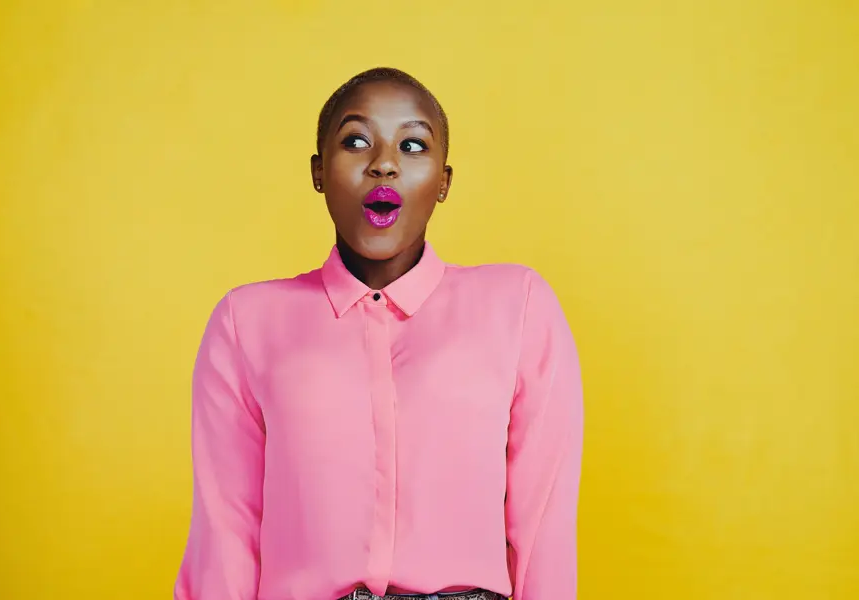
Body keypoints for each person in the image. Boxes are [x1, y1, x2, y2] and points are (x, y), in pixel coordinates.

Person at [173, 67, 584, 600]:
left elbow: (543, 529)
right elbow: (224, 536)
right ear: (319, 172)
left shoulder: (519, 306)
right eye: (356, 141)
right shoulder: (244, 322)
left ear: (444, 181)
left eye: (413, 145)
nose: (384, 164)